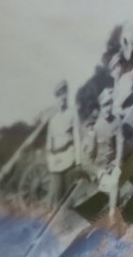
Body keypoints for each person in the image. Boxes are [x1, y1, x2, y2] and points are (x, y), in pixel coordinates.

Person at [88, 86, 124, 221]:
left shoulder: (116, 121)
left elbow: (120, 143)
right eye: (104, 106)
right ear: (100, 107)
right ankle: (113, 216)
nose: (107, 108)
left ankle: (116, 215)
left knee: (115, 183)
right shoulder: (96, 128)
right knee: (113, 185)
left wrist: (118, 163)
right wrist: (98, 172)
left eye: (109, 104)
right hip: (100, 170)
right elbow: (89, 158)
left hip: (112, 165)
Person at [43, 79, 81, 201]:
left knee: (69, 195)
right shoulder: (53, 119)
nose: (63, 98)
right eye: (60, 95)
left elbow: (77, 138)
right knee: (56, 195)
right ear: (56, 98)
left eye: (65, 94)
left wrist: (78, 161)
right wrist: (51, 161)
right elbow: (49, 144)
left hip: (69, 158)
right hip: (56, 161)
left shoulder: (72, 113)